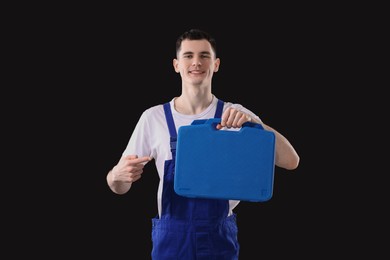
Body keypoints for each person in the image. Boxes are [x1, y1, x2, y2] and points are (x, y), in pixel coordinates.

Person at [106, 28, 300, 259]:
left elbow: (291, 161)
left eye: (204, 56)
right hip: (172, 243)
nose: (196, 62)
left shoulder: (234, 114)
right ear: (176, 65)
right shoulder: (154, 118)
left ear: (216, 64)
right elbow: (119, 186)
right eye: (188, 55)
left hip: (218, 240)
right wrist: (115, 176)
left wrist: (254, 124)